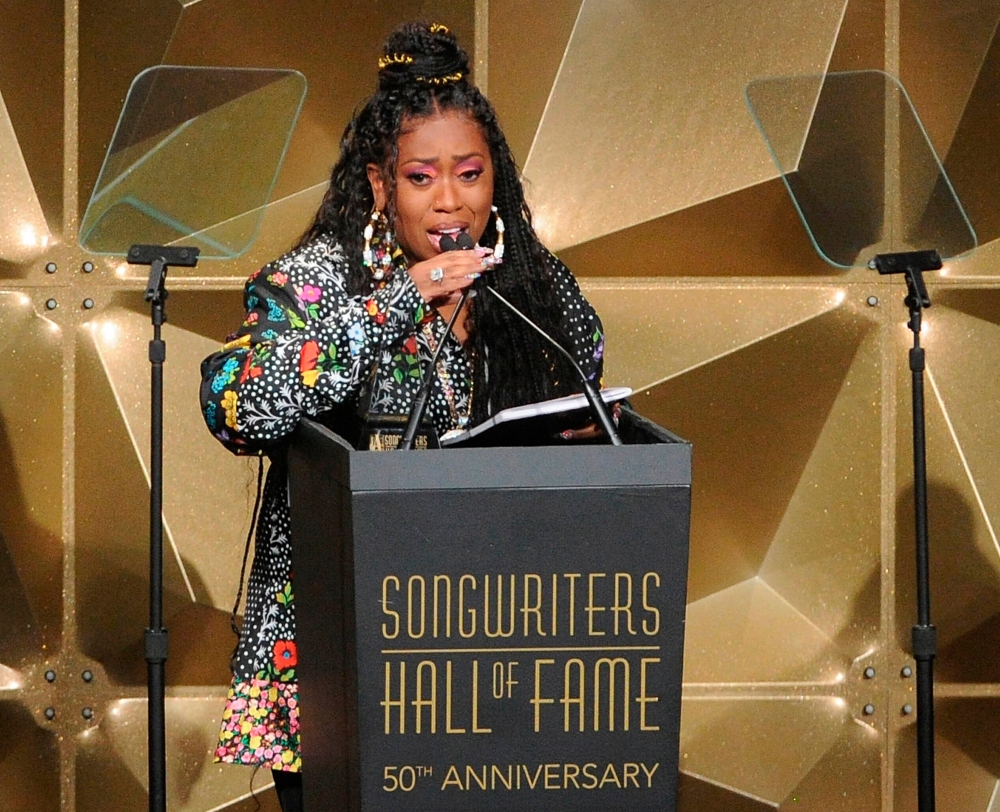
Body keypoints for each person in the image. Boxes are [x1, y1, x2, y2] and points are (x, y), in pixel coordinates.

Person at [200, 20, 605, 812]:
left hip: (487, 637)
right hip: (339, 640)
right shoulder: (319, 277)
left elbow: (584, 365)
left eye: (471, 174)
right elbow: (238, 404)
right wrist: (395, 303)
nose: (451, 200)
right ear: (382, 185)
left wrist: (585, 426)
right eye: (421, 178)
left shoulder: (527, 277)